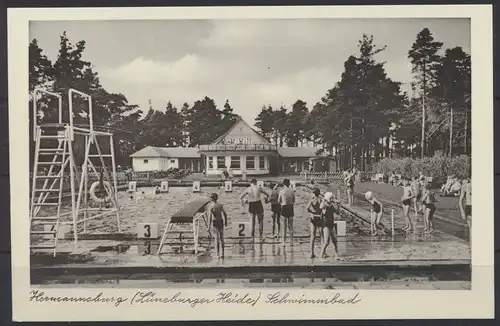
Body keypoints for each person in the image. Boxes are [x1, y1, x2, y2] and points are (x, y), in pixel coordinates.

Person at [319, 192, 341, 260]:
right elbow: (321, 206)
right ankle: (321, 255)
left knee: (335, 240)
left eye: (332, 198)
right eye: (330, 198)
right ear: (328, 198)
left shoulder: (331, 205)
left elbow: (337, 212)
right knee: (326, 242)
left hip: (331, 224)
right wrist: (324, 200)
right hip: (326, 225)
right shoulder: (325, 205)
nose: (332, 199)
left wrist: (338, 205)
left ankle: (336, 255)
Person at [208, 193, 228, 259]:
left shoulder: (211, 207)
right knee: (222, 238)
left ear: (211, 199)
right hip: (221, 221)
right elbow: (225, 214)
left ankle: (217, 254)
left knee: (216, 238)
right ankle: (223, 253)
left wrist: (208, 226)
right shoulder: (220, 205)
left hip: (215, 222)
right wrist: (226, 222)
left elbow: (210, 218)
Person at [306, 188, 324, 258]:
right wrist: (321, 214)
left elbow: (307, 208)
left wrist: (312, 213)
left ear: (314, 194)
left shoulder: (312, 200)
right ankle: (323, 253)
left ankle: (312, 253)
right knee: (322, 236)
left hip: (313, 218)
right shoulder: (321, 200)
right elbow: (323, 209)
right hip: (319, 218)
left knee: (312, 236)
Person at [278, 178, 295, 246]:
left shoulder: (282, 191)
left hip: (284, 207)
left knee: (284, 226)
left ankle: (284, 242)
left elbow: (279, 201)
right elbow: (294, 200)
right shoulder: (292, 191)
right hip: (290, 207)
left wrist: (282, 203)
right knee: (291, 226)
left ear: (283, 184)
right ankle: (291, 242)